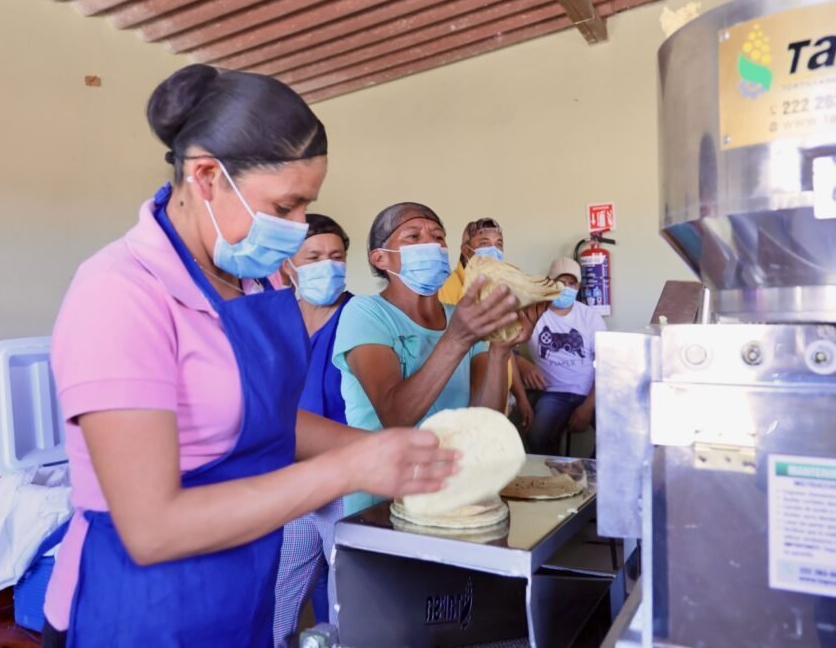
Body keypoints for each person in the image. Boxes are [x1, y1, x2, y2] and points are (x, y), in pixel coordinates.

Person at [42, 65, 457, 648]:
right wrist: (347, 470)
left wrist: (386, 452)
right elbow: (152, 527)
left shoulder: (254, 283)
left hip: (244, 588)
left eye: (305, 206)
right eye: (285, 206)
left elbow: (263, 420)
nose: (295, 227)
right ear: (207, 176)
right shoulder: (120, 293)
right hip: (144, 608)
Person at [333, 203, 537, 515]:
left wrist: (499, 351)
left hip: (455, 493)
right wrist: (456, 338)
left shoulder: (462, 318)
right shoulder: (365, 313)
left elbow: (484, 422)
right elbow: (395, 416)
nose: (431, 244)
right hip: (383, 501)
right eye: (413, 236)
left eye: (438, 237)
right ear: (380, 258)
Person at [273, 214, 351, 645]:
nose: (328, 265)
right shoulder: (277, 318)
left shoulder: (359, 316)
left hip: (346, 478)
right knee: (280, 595)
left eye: (337, 256)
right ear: (290, 265)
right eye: (315, 257)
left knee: (345, 601)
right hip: (292, 478)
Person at [437, 217, 535, 430]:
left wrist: (520, 396)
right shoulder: (452, 289)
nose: (494, 249)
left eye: (498, 243)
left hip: (498, 398)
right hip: (468, 407)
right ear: (466, 250)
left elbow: (504, 349)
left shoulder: (499, 288)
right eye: (484, 243)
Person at [526, 258, 607, 456]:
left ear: (578, 286)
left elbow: (606, 364)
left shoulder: (589, 316)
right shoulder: (533, 313)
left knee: (616, 436)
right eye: (560, 282)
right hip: (554, 393)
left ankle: (591, 477)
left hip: (589, 392)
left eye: (572, 283)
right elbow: (506, 348)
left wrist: (588, 406)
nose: (566, 288)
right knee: (537, 436)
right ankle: (559, 479)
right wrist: (522, 363)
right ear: (548, 283)